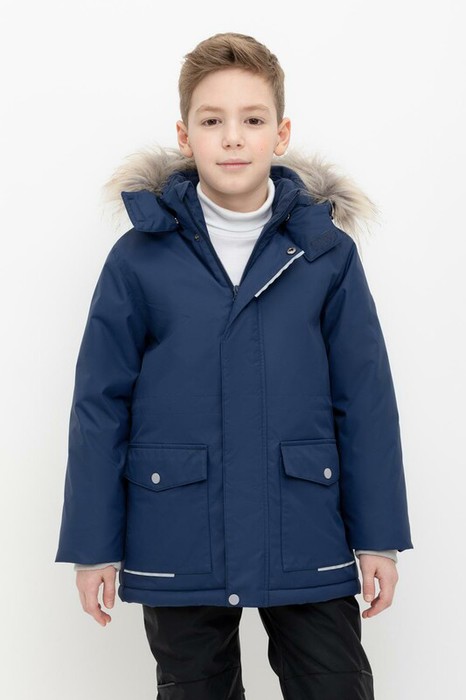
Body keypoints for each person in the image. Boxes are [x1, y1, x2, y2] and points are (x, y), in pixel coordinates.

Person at [55, 32, 413, 700]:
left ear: (280, 133)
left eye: (251, 120)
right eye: (212, 120)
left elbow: (364, 398)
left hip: (304, 522)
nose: (232, 138)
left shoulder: (326, 254)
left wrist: (379, 539)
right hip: (179, 524)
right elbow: (100, 404)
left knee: (334, 684)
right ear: (184, 135)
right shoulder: (139, 257)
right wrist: (93, 545)